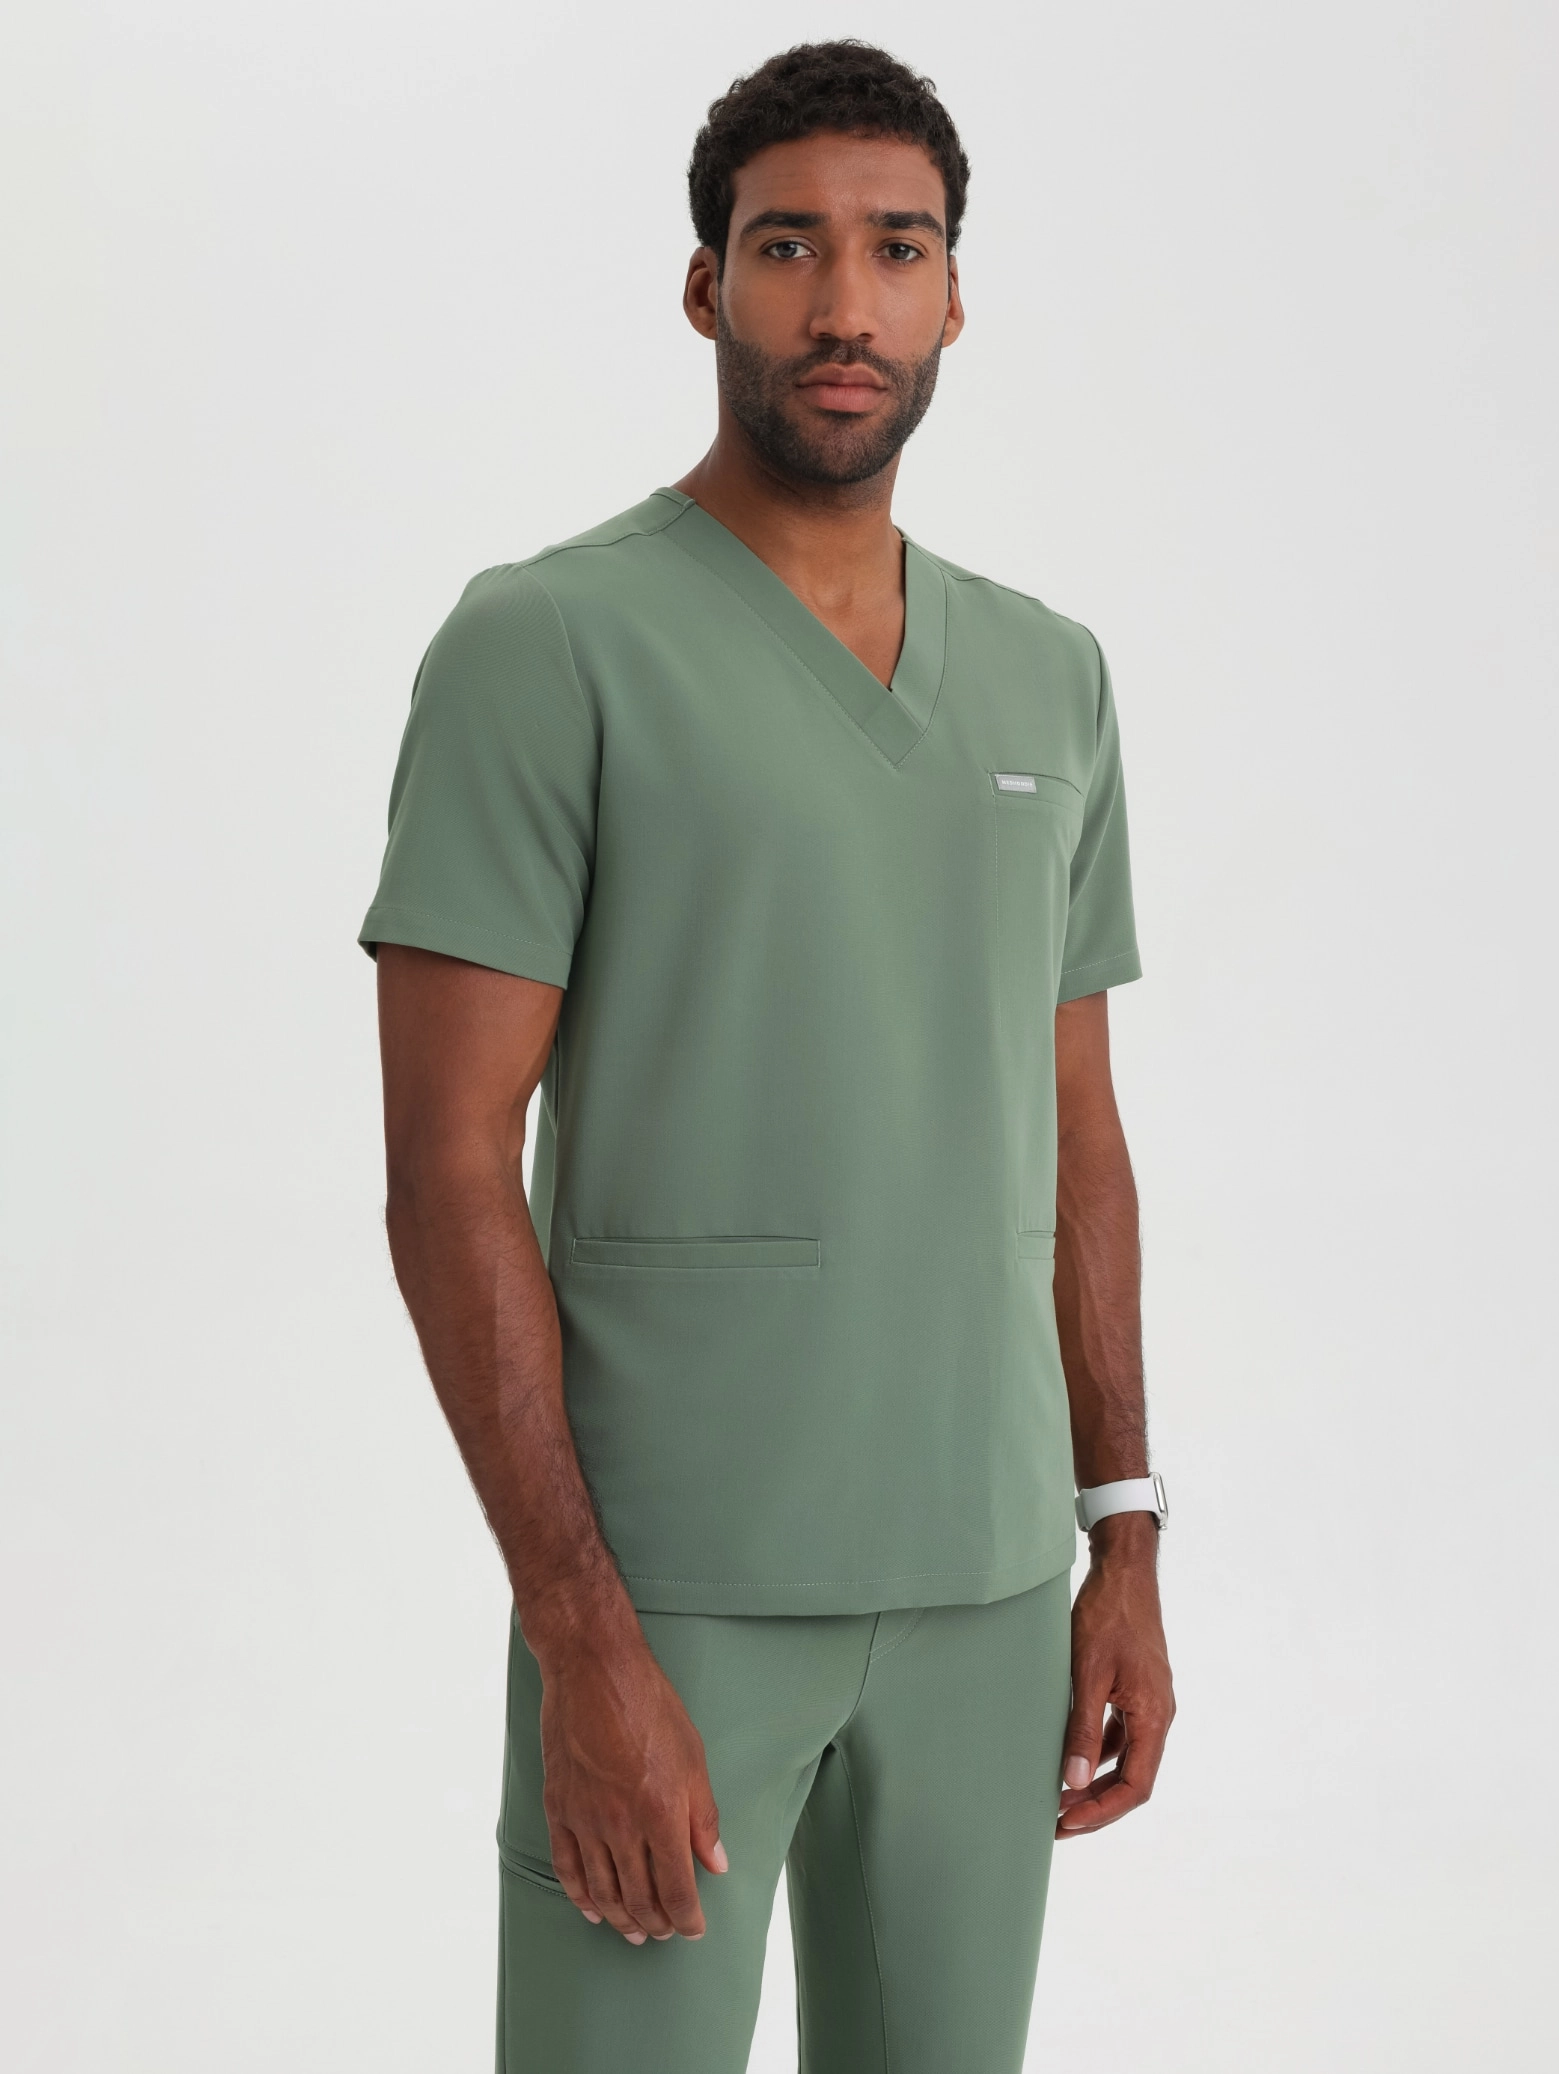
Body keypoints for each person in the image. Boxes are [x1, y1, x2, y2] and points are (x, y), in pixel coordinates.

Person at [360, 38, 1175, 2074]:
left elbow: (1076, 1129)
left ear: (954, 295)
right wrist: (579, 1633)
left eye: (897, 248)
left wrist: (1124, 1529)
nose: (843, 303)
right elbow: (447, 1163)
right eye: (787, 245)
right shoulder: (547, 645)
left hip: (992, 1579)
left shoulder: (1049, 676)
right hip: (676, 1590)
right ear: (704, 284)